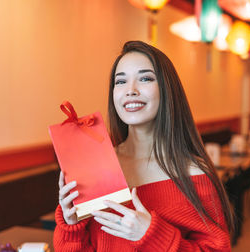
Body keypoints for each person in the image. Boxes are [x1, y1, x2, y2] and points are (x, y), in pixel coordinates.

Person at [54, 41, 234, 251]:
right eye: (120, 82)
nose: (130, 90)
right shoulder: (96, 168)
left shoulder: (192, 172)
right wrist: (71, 225)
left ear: (167, 90)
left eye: (145, 78)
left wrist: (151, 234)